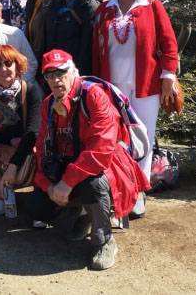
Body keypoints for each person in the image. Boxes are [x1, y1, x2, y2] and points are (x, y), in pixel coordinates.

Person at [26, 49, 150, 271]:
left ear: (74, 70)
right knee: (36, 206)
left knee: (93, 184)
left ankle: (104, 240)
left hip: (104, 168)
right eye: (49, 74)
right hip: (68, 169)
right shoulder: (48, 104)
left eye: (61, 72)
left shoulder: (93, 95)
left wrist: (67, 182)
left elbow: (101, 148)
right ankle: (82, 215)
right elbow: (42, 149)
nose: (56, 79)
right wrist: (51, 185)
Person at [92, 0, 179, 214]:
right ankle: (119, 188)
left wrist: (167, 79)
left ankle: (139, 193)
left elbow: (170, 46)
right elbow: (97, 52)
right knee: (116, 138)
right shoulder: (104, 9)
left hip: (145, 86)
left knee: (143, 138)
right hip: (112, 86)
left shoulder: (152, 7)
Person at [0, 45, 42, 216]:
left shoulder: (31, 91)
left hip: (26, 148)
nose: (3, 69)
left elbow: (33, 132)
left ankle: (40, 200)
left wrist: (13, 166)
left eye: (8, 63)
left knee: (40, 172)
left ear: (17, 65)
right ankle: (2, 192)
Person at [41, 0, 100, 77]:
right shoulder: (58, 0)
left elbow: (87, 44)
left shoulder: (90, 5)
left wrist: (77, 72)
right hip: (53, 67)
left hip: (74, 70)